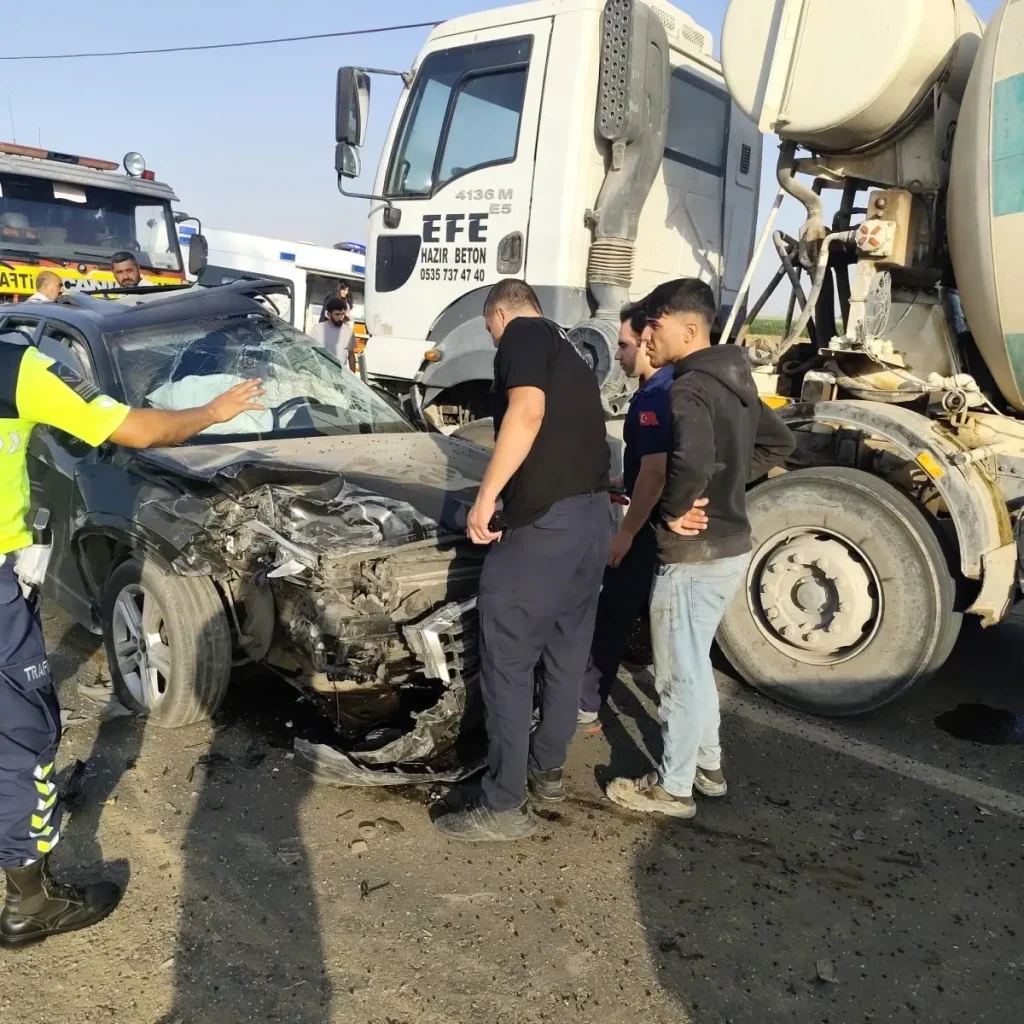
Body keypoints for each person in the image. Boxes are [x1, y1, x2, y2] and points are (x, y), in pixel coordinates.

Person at [0, 332, 264, 946]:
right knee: (20, 735)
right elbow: (139, 432)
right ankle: (29, 902)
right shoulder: (16, 365)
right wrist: (213, 412)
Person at [605, 278, 794, 819]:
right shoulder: (736, 380)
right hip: (731, 547)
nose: (646, 338)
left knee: (677, 675)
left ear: (688, 327)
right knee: (695, 664)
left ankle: (673, 788)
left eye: (655, 326)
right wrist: (726, 483)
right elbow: (780, 443)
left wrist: (674, 509)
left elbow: (685, 461)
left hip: (693, 555)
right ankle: (707, 767)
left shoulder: (688, 387)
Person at [434, 279, 612, 841]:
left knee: (508, 664)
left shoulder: (524, 335)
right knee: (564, 654)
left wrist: (486, 497)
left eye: (490, 333)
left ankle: (504, 804)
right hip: (590, 523)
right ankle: (546, 774)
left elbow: (527, 411)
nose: (494, 345)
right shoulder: (569, 351)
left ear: (501, 316)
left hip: (544, 530)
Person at [577, 301, 675, 725]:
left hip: (647, 527)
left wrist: (626, 533)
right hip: (652, 514)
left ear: (647, 341)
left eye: (622, 345)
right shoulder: (665, 387)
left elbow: (655, 472)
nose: (617, 356)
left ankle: (585, 702)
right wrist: (625, 483)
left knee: (613, 610)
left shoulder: (656, 395)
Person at [311, 297, 355, 370]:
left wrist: (353, 378)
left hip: (340, 374)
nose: (341, 318)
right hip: (321, 373)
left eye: (342, 314)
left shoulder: (348, 332)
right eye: (337, 314)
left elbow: (351, 355)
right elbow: (309, 351)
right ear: (328, 314)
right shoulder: (317, 329)